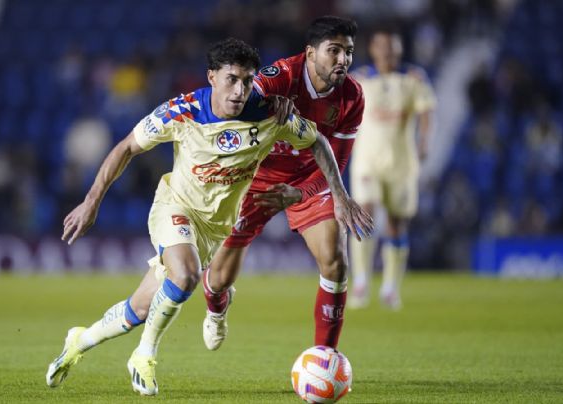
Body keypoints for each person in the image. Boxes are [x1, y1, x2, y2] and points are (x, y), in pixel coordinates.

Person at [45, 38, 373, 396]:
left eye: (248, 81)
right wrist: (91, 202)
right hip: (176, 206)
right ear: (212, 77)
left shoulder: (270, 114)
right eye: (231, 79)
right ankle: (144, 355)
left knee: (138, 308)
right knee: (186, 277)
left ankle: (80, 339)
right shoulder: (182, 111)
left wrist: (339, 196)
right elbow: (126, 147)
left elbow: (319, 143)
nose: (240, 90)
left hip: (215, 228)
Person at [201, 16, 366, 353]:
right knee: (218, 280)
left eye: (348, 52)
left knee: (336, 261)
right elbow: (241, 98)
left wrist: (305, 193)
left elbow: (337, 159)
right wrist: (263, 103)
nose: (342, 60)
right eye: (333, 51)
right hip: (256, 178)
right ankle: (217, 308)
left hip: (308, 179)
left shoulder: (352, 95)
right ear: (309, 53)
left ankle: (325, 356)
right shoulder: (283, 76)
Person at [348, 27, 436, 310]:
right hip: (367, 161)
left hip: (401, 162)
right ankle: (360, 281)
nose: (387, 51)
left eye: (392, 46)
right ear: (373, 49)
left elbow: (425, 111)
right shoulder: (360, 79)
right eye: (382, 46)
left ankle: (390, 286)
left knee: (396, 224)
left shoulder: (413, 79)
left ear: (400, 49)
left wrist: (424, 142)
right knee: (365, 214)